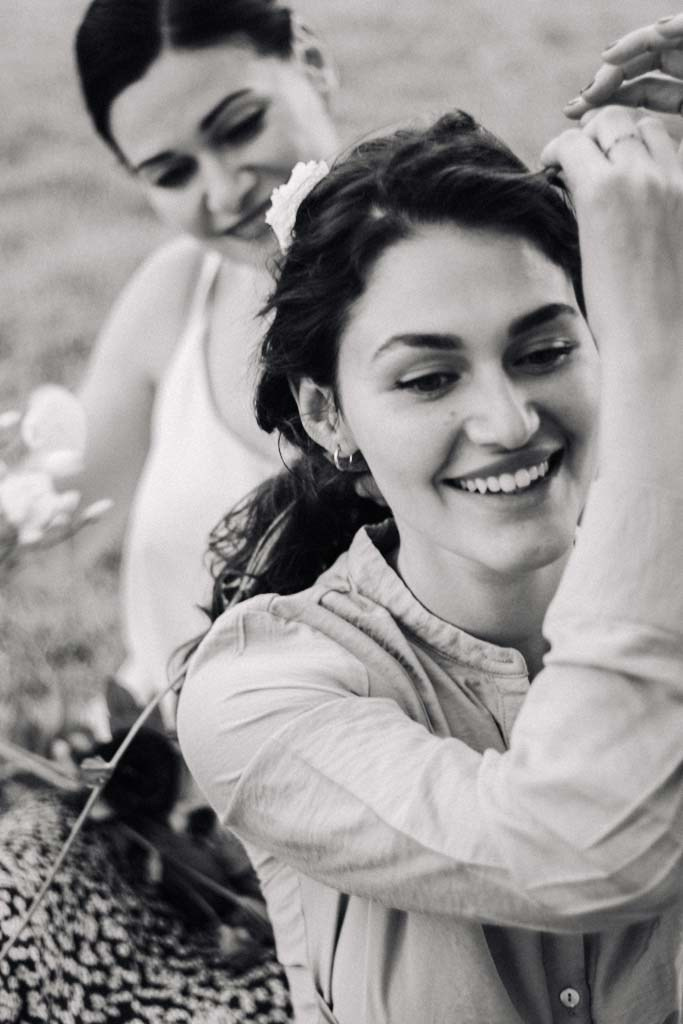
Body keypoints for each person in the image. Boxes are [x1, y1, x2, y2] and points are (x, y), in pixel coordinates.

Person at [177, 100, 683, 1024]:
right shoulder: (259, 691)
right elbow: (591, 847)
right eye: (427, 378)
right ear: (328, 416)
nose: (508, 422)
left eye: (544, 351)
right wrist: (657, 355)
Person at [0, 0, 340, 1018]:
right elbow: (46, 500)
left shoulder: (433, 287)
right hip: (158, 812)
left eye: (238, 126)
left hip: (358, 842)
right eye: (170, 172)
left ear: (310, 64)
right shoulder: (175, 293)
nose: (222, 187)